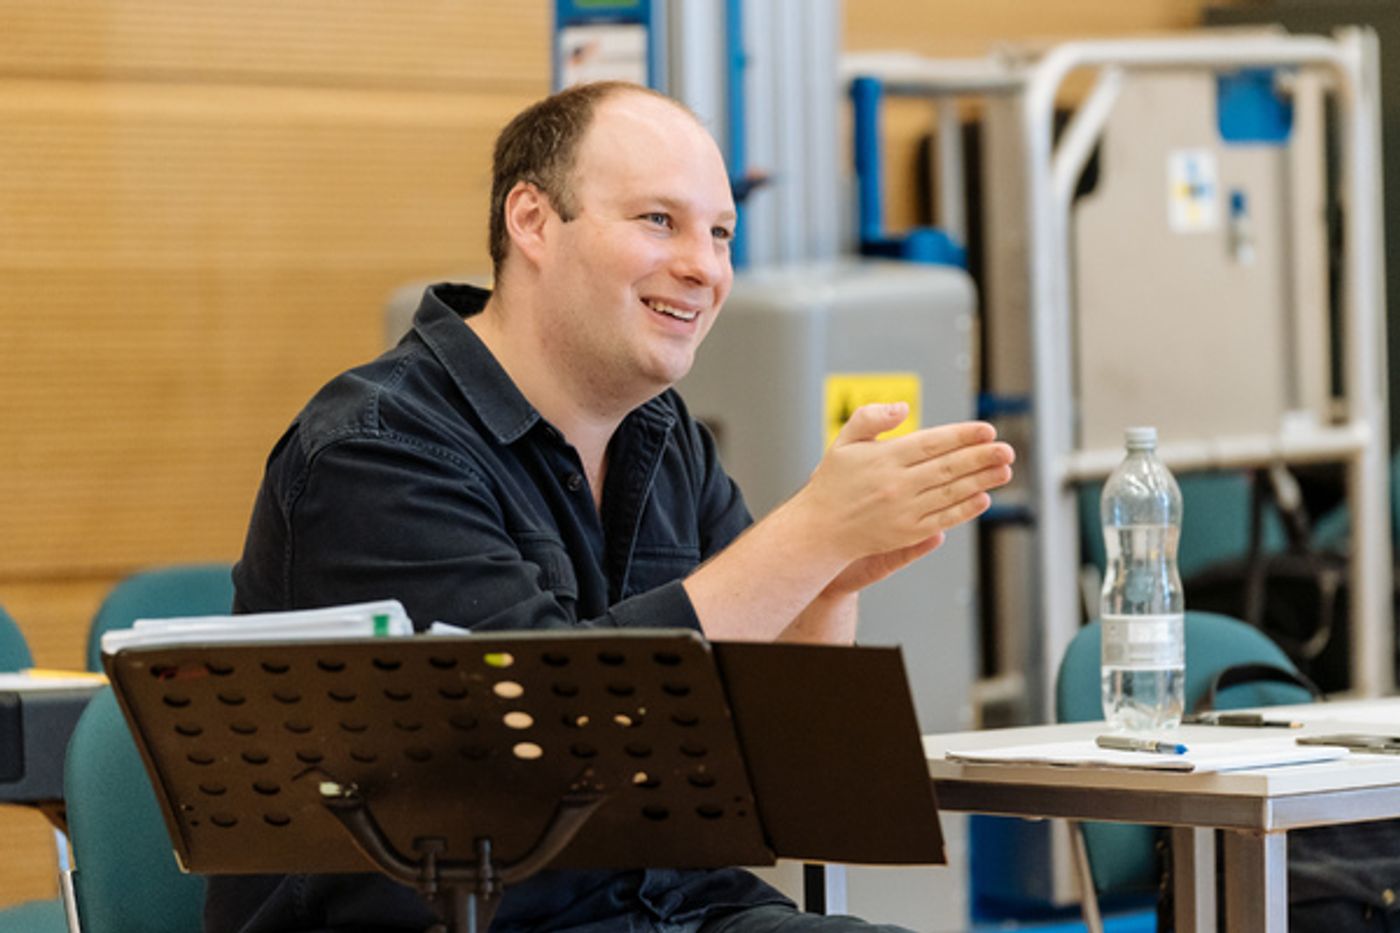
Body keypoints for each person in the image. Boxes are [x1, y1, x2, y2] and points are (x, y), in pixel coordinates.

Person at [206, 80, 1014, 933]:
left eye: (722, 233)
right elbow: (545, 743)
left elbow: (791, 772)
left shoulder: (665, 436)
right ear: (532, 222)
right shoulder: (374, 450)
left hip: (680, 908)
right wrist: (806, 534)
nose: (704, 265)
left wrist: (833, 573)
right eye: (658, 220)